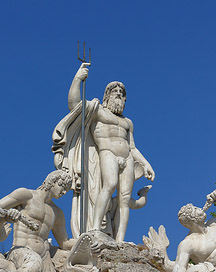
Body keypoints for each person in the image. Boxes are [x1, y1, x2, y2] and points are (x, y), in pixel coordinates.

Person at [52, 64, 155, 242]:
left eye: (122, 94)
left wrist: (146, 164)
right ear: (107, 95)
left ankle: (120, 240)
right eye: (115, 92)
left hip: (127, 158)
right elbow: (74, 105)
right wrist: (78, 78)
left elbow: (132, 147)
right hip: (107, 152)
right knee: (109, 185)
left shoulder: (127, 122)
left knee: (124, 199)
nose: (119, 96)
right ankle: (94, 229)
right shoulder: (97, 110)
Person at [0, 170, 75, 272]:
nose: (64, 192)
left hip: (45, 258)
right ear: (53, 181)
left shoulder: (58, 212)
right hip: (22, 252)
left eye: (67, 190)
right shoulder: (26, 195)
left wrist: (88, 241)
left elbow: (64, 243)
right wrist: (7, 215)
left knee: (74, 267)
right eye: (63, 186)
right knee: (33, 266)